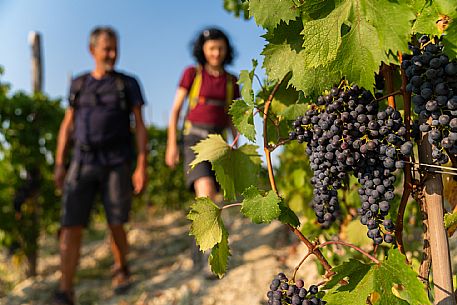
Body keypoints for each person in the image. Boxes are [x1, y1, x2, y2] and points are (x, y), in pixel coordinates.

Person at [52, 26, 148, 305]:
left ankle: (121, 268)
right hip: (82, 162)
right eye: (107, 48)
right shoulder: (79, 84)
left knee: (117, 222)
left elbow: (139, 126)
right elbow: (67, 125)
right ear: (92, 50)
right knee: (70, 225)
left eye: (115, 48)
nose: (112, 54)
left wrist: (141, 165)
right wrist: (60, 162)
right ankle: (65, 288)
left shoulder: (128, 84)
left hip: (117, 162)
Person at [165, 27, 240, 271]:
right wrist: (171, 145)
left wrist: (235, 144)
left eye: (220, 48)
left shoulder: (232, 81)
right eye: (211, 49)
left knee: (213, 199)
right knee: (205, 192)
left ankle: (201, 245)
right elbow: (176, 110)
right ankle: (208, 252)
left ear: (226, 50)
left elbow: (231, 118)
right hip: (193, 140)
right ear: (203, 51)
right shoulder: (192, 74)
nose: (216, 53)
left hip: (218, 144)